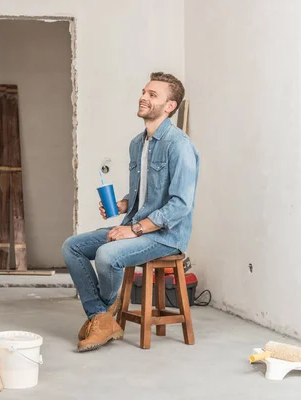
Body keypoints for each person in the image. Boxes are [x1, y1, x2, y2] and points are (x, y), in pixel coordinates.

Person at [62, 72, 200, 352]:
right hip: (138, 225)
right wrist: (124, 205)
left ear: (170, 106)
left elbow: (180, 205)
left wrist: (134, 229)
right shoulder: (138, 144)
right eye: (143, 92)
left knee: (107, 253)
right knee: (72, 246)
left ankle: (100, 317)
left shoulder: (180, 146)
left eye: (152, 95)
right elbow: (145, 194)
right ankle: (101, 316)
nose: (143, 97)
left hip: (165, 236)